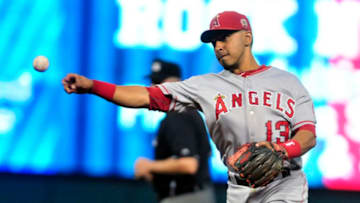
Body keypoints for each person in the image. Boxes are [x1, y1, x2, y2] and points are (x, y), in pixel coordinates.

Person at [62, 11, 316, 203]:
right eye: (214, 41)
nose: (218, 46)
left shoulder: (287, 82)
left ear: (247, 37)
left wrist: (282, 149)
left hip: (286, 185)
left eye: (224, 37)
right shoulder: (204, 86)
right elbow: (142, 96)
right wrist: (92, 86)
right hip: (240, 191)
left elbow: (307, 134)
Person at [133, 59, 216, 203]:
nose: (152, 88)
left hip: (186, 197)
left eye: (158, 82)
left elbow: (189, 164)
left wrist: (148, 166)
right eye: (152, 82)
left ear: (175, 84)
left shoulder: (178, 114)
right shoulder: (186, 112)